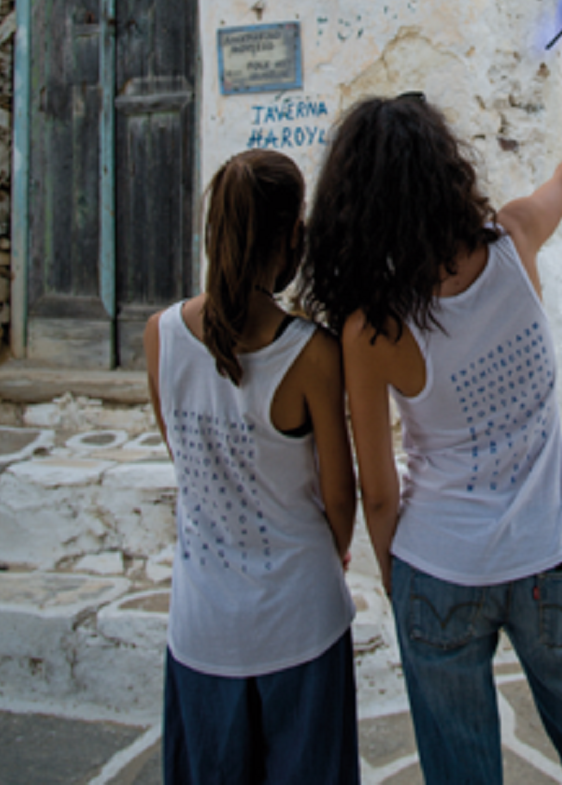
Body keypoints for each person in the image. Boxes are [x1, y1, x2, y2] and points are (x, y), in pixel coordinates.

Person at [299, 95, 562, 785]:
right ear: (446, 171)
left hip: (438, 566)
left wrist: (400, 584)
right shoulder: (514, 239)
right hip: (549, 560)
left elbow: (378, 490)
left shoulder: (370, 329)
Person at [143, 149, 360, 785]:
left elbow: (184, 458)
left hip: (202, 628)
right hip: (301, 620)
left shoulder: (160, 335)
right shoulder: (312, 353)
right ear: (293, 235)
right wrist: (336, 549)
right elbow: (340, 497)